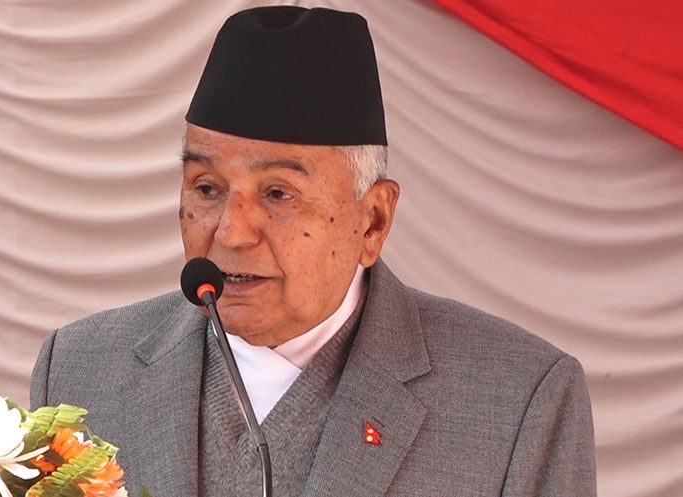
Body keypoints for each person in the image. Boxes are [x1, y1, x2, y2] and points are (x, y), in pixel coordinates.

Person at [30, 6, 596, 497]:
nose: (231, 232)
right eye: (206, 188)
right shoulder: (81, 368)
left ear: (373, 221)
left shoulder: (519, 401)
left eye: (278, 194)